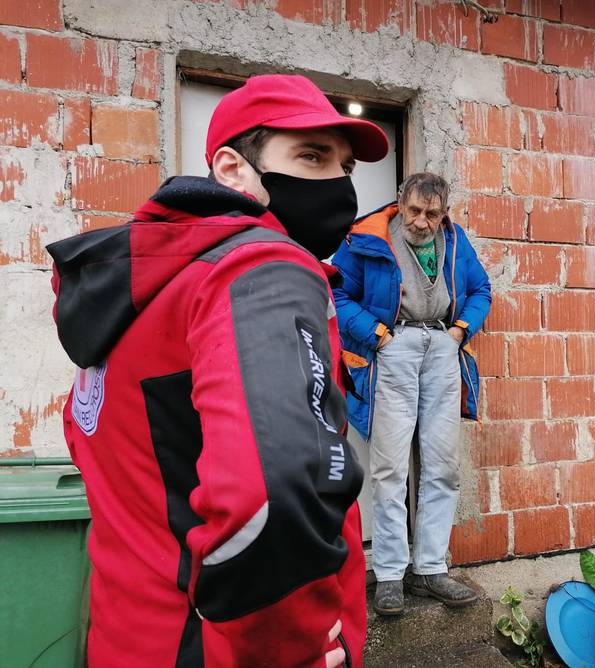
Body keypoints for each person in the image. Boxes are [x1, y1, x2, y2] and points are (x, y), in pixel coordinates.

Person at [46, 74, 388, 667]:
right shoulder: (261, 268)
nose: (336, 182)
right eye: (310, 156)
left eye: (346, 166)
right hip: (214, 649)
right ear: (231, 170)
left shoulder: (144, 285)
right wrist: (292, 648)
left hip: (125, 638)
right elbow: (274, 493)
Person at [332, 172, 492, 617]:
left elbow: (480, 289)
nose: (422, 222)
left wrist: (461, 331)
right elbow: (336, 291)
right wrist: (377, 335)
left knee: (442, 464)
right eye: (415, 211)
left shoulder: (456, 242)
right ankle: (387, 574)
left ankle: (429, 568)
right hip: (394, 346)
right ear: (400, 202)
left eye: (432, 215)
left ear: (444, 215)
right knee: (388, 466)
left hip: (442, 347)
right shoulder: (366, 237)